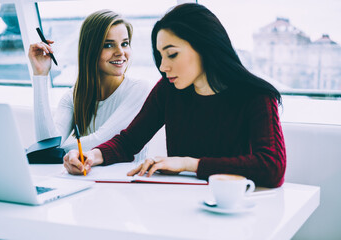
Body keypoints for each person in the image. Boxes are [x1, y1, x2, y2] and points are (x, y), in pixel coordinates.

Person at [63, 3, 286, 188]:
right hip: (179, 205)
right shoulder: (168, 90)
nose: (163, 66)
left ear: (205, 46)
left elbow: (272, 167)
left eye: (172, 54)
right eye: (160, 56)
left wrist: (188, 164)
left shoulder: (256, 96)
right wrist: (91, 156)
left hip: (233, 212)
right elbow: (128, 142)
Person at [28, 10, 152, 162]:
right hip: (87, 180)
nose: (120, 52)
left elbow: (101, 140)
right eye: (108, 45)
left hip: (126, 183)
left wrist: (48, 152)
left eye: (125, 44)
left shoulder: (139, 90)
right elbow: (46, 143)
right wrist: (40, 75)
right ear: (90, 50)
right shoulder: (73, 97)